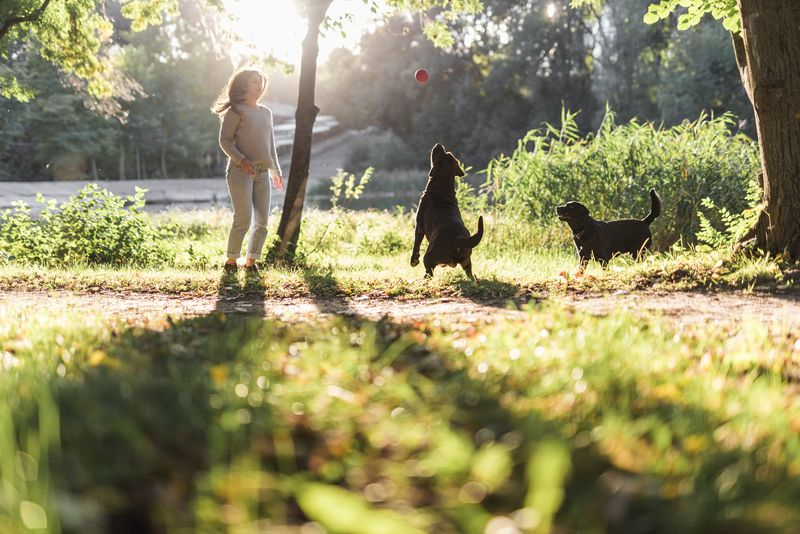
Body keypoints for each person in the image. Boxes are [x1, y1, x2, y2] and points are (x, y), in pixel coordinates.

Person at [212, 68, 284, 275]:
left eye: (260, 81)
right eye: (254, 81)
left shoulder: (266, 113)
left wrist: (275, 171)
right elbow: (224, 140)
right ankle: (231, 262)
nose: (259, 85)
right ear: (244, 85)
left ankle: (251, 262)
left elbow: (270, 145)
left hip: (262, 174)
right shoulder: (236, 111)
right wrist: (241, 160)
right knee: (243, 219)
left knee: (262, 222)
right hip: (239, 172)